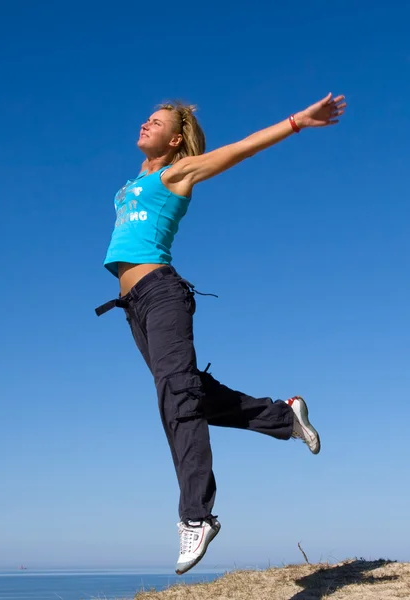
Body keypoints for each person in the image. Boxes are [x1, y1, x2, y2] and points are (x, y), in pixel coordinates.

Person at [95, 93, 346, 575]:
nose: (145, 124)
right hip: (134, 306)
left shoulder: (177, 174)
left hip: (162, 292)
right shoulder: (128, 185)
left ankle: (196, 515)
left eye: (157, 122)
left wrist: (297, 121)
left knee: (176, 397)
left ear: (175, 139)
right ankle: (283, 417)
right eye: (145, 117)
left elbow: (243, 147)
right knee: (190, 394)